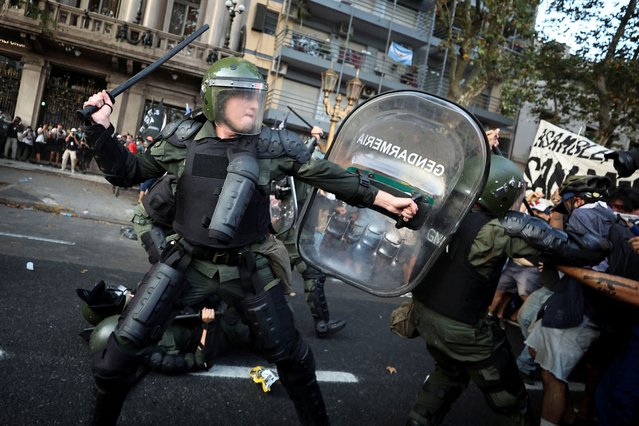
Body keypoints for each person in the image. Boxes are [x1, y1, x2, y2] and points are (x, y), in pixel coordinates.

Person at [81, 56, 417, 426]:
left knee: (294, 361)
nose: (254, 104)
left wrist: (387, 202)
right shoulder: (183, 139)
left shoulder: (273, 146)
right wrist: (100, 130)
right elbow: (127, 172)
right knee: (117, 360)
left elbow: (331, 177)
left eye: (257, 95)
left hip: (249, 269)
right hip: (187, 264)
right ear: (216, 100)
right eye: (242, 95)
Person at [405, 156, 606, 426]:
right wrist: (607, 242)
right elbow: (574, 248)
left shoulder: (442, 211)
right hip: (463, 328)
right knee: (510, 400)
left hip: (423, 313)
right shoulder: (495, 230)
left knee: (448, 373)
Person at [524, 175, 622, 426]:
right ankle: (566, 414)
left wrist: (560, 260)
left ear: (576, 200)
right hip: (581, 305)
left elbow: (595, 265)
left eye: (566, 202)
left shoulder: (582, 215)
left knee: (553, 374)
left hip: (581, 308)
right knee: (540, 355)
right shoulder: (609, 215)